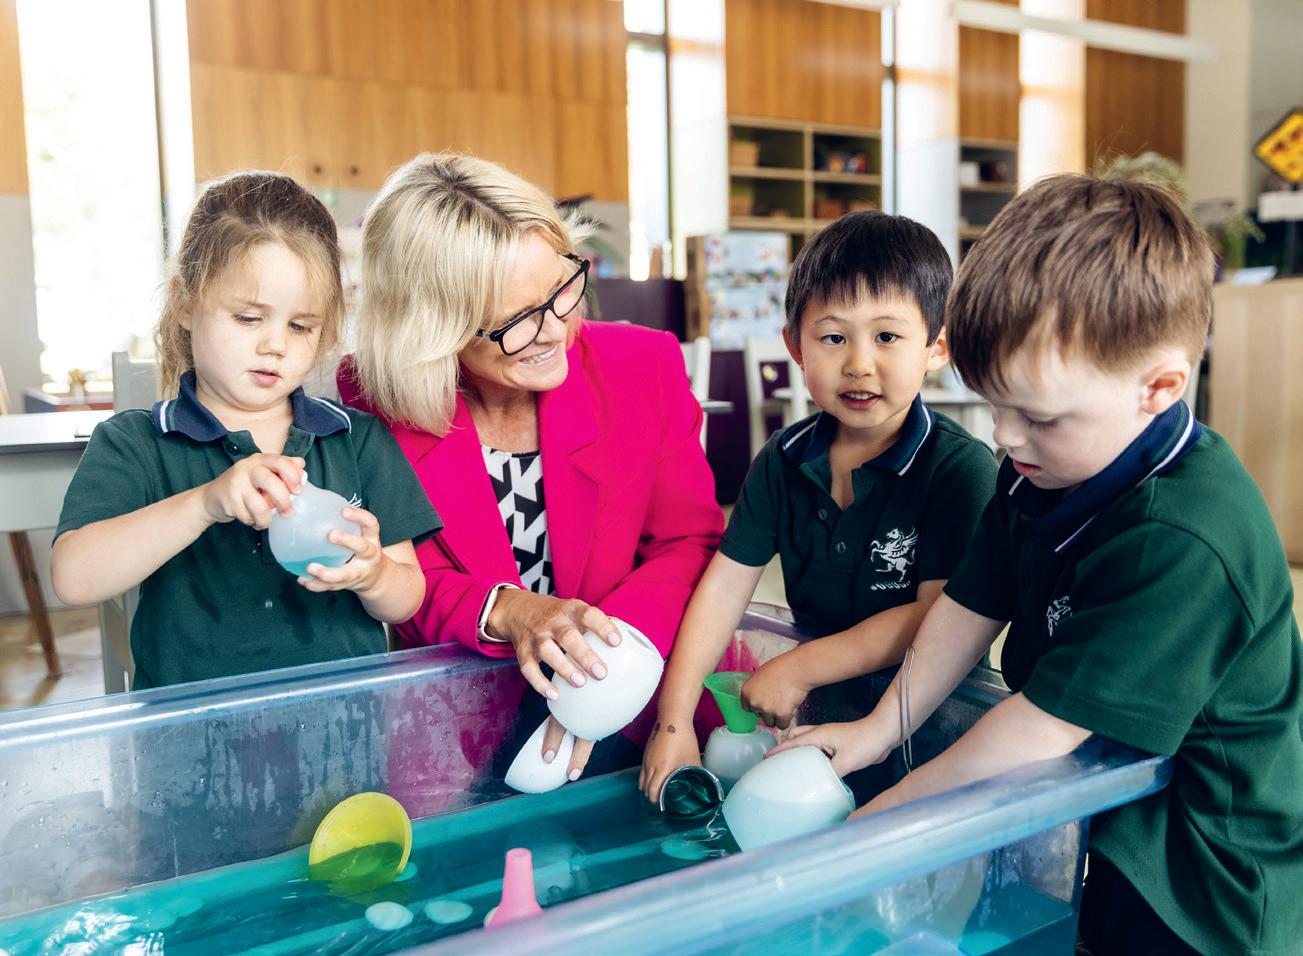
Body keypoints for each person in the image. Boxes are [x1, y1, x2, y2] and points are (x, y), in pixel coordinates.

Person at [774, 175, 1303, 955]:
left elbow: (1042, 726)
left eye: (1038, 416)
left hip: (1202, 880)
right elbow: (965, 607)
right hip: (1102, 820)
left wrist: (887, 820)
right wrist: (876, 732)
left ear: (1158, 388)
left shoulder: (1182, 537)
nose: (1005, 437)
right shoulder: (1038, 471)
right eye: (994, 405)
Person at [338, 153, 723, 781]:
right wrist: (511, 611)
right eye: (516, 321)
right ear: (429, 331)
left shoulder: (642, 366)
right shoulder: (370, 400)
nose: (554, 331)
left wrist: (598, 673)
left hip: (634, 705)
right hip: (450, 725)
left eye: (560, 290)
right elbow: (401, 576)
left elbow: (689, 541)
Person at [640, 212, 996, 802]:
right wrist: (672, 724)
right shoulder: (781, 461)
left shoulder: (958, 470)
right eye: (833, 338)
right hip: (814, 731)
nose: (858, 363)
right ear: (795, 347)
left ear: (936, 347)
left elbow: (939, 617)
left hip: (930, 739)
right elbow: (723, 591)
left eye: (887, 337)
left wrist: (799, 667)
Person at [51, 171, 441, 689]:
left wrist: (375, 575)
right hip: (190, 728)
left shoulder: (356, 438)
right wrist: (205, 503)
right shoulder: (137, 443)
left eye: (300, 326)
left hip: (340, 726)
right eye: (248, 318)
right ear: (184, 303)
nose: (275, 345)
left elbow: (407, 598)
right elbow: (73, 578)